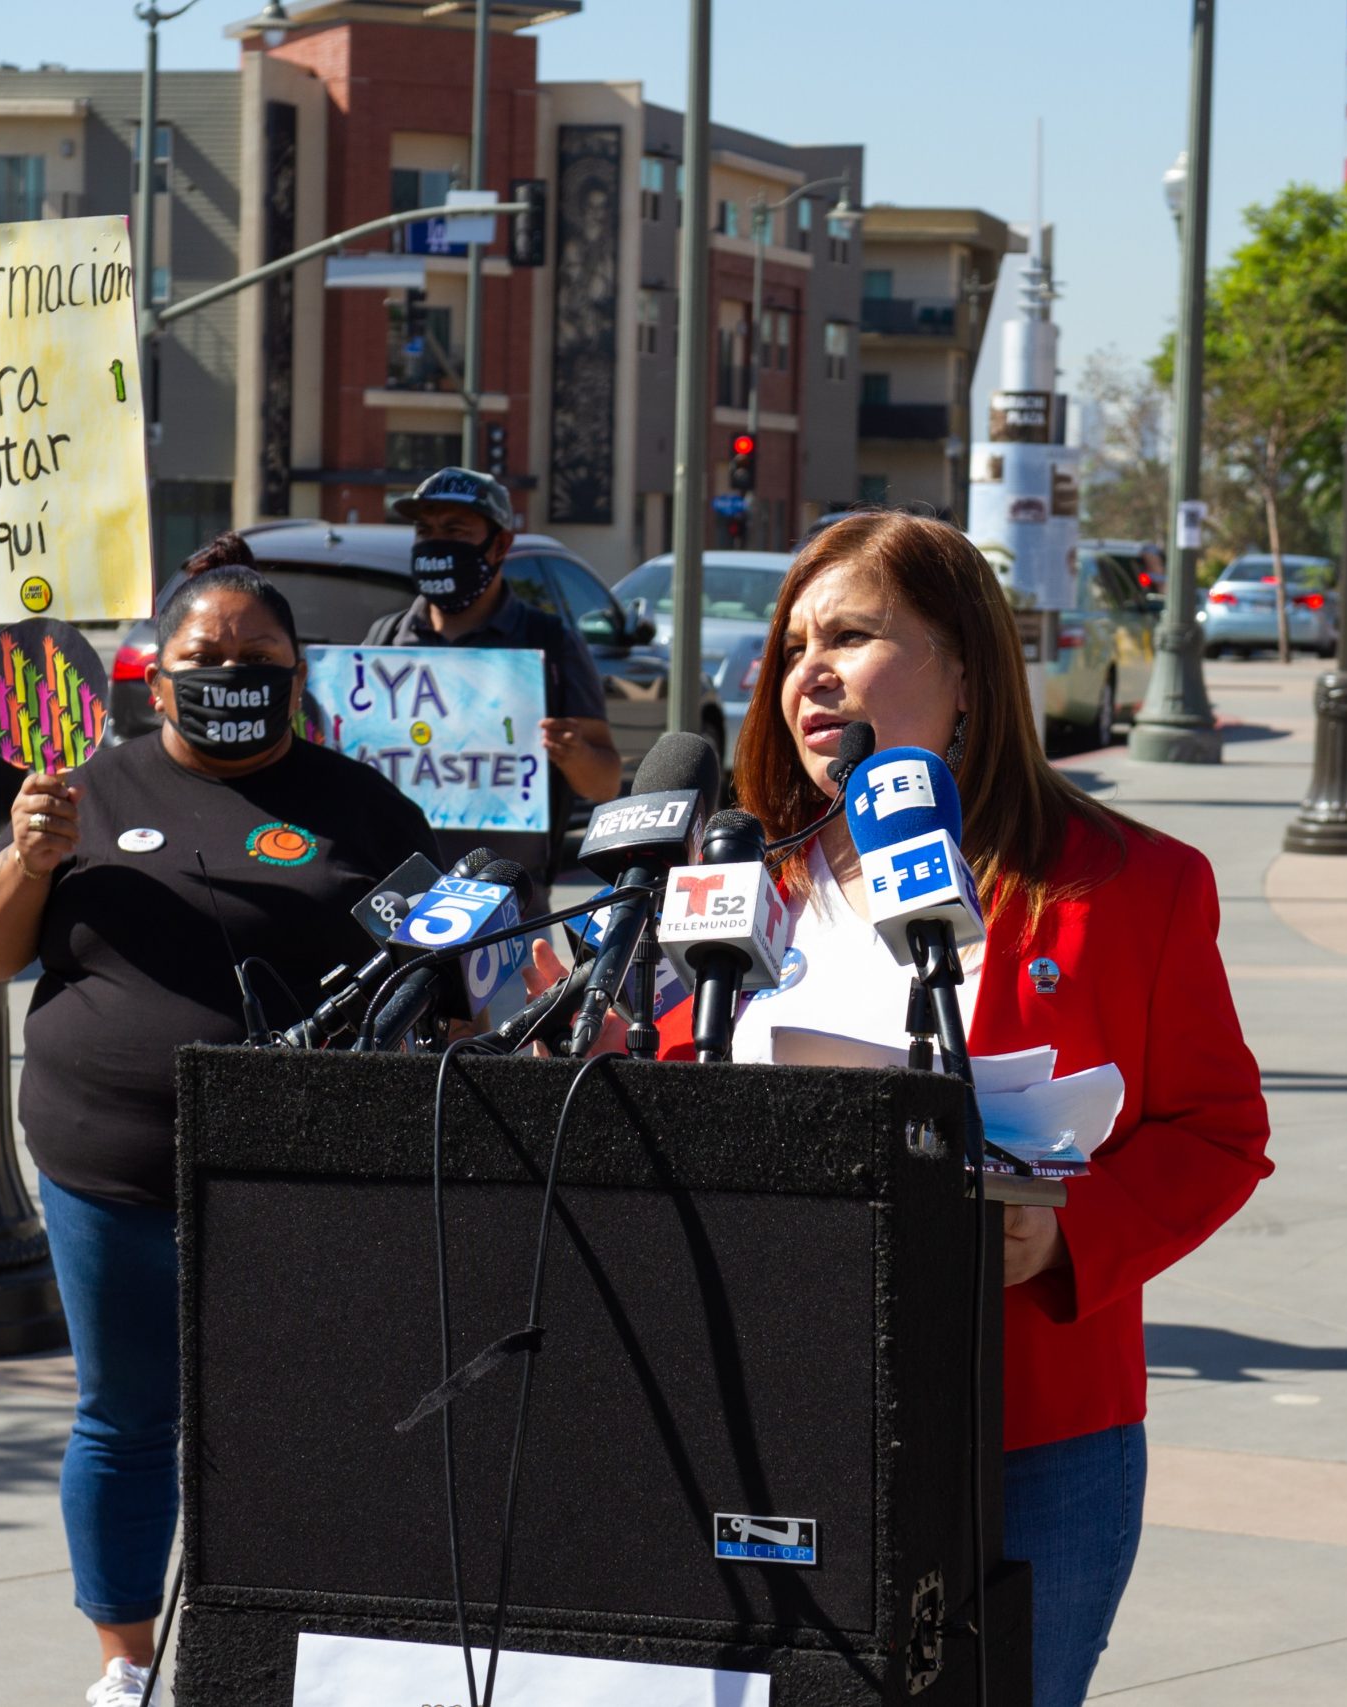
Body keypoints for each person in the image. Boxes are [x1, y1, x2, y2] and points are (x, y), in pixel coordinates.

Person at [543, 511, 1275, 1704]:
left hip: (1028, 1436)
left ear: (967, 666)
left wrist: (1061, 1235)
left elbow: (1218, 1132)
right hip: (761, 1408)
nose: (809, 672)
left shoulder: (1131, 885)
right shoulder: (728, 887)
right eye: (792, 648)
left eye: (854, 636)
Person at [0, 557, 439, 1707]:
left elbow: (459, 961)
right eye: (203, 663)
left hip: (302, 1180)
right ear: (154, 684)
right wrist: (28, 855)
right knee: (125, 1418)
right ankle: (125, 1665)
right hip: (108, 1170)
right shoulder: (83, 792)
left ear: (299, 681)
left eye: (258, 663)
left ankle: (290, 1643)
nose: (230, 679)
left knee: (300, 1417)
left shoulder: (361, 805)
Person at [361, 467, 620, 880]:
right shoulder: (385, 640)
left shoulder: (549, 642)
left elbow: (604, 784)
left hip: (510, 900)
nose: (437, 543)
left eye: (455, 530)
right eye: (425, 531)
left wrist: (575, 755)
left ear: (500, 545)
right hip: (397, 892)